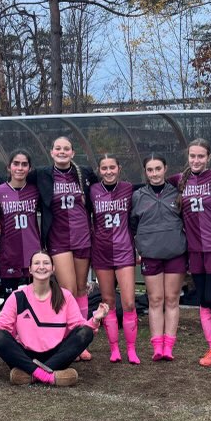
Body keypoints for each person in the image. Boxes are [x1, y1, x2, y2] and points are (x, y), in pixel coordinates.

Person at [0, 250, 109, 386]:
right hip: (25, 355)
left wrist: (96, 319)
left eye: (46, 263)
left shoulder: (65, 296)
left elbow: (78, 326)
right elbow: (1, 328)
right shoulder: (17, 296)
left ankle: (30, 374)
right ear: (30, 269)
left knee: (85, 333)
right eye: (37, 263)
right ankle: (47, 376)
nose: (41, 266)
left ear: (53, 269)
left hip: (56, 355)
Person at [169, 139, 211, 366]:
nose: (196, 160)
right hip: (194, 250)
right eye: (192, 156)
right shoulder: (179, 180)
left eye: (200, 156)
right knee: (204, 300)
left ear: (208, 157)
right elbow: (156, 182)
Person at [32, 137, 97, 330]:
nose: (62, 152)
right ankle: (70, 332)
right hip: (58, 238)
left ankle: (82, 333)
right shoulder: (42, 174)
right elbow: (16, 177)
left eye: (66, 149)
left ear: (72, 153)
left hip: (82, 236)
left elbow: (100, 189)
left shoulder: (84, 173)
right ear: (51, 152)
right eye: (58, 148)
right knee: (68, 289)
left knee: (81, 288)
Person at [131, 154, 186, 361]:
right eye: (150, 170)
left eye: (158, 169)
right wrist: (138, 247)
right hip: (151, 255)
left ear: (165, 169)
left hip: (175, 254)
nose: (154, 174)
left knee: (172, 299)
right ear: (145, 172)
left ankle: (169, 346)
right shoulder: (138, 196)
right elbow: (132, 225)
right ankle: (157, 346)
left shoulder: (177, 193)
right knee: (155, 299)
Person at [89, 154, 138, 363]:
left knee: (129, 303)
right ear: (99, 170)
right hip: (101, 251)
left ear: (119, 168)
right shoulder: (92, 190)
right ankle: (114, 349)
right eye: (104, 168)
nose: (108, 171)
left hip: (124, 250)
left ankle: (131, 349)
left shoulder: (129, 189)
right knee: (107, 301)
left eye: (112, 167)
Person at [0, 150, 41, 298]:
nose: (20, 168)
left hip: (33, 252)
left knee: (34, 299)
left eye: (24, 164)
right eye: (16, 164)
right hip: (9, 253)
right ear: (9, 167)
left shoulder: (36, 190)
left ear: (30, 168)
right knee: (11, 300)